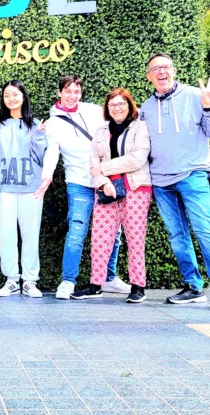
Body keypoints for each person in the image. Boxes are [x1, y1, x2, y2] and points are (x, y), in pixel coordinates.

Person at [140, 54, 210, 313]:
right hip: (161, 181)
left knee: (205, 230)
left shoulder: (196, 96)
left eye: (166, 67)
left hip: (193, 175)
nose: (161, 72)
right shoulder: (146, 108)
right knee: (177, 235)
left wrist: (209, 107)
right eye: (155, 69)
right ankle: (193, 286)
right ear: (148, 76)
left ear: (174, 70)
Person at [36, 75, 129, 301]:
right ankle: (68, 281)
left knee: (114, 234)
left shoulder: (94, 111)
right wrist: (46, 176)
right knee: (77, 232)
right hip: (78, 182)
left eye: (76, 92)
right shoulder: (54, 123)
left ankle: (108, 278)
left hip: (105, 180)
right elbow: (52, 152)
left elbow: (117, 123)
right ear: (59, 93)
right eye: (68, 91)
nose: (72, 96)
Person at [71, 89, 152, 303]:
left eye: (121, 103)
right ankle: (96, 284)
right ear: (107, 108)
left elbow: (137, 159)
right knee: (100, 238)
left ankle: (138, 286)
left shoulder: (140, 127)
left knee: (135, 238)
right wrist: (104, 181)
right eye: (112, 104)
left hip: (135, 188)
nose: (116, 108)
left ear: (129, 105)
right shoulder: (100, 131)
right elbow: (92, 163)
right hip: (107, 190)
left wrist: (103, 168)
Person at [0, 81, 47, 298]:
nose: (11, 98)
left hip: (32, 189)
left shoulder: (36, 124)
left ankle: (30, 281)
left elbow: (41, 157)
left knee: (30, 235)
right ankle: (11, 279)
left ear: (23, 97)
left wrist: (39, 135)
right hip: (5, 190)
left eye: (15, 94)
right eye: (7, 95)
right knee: (7, 235)